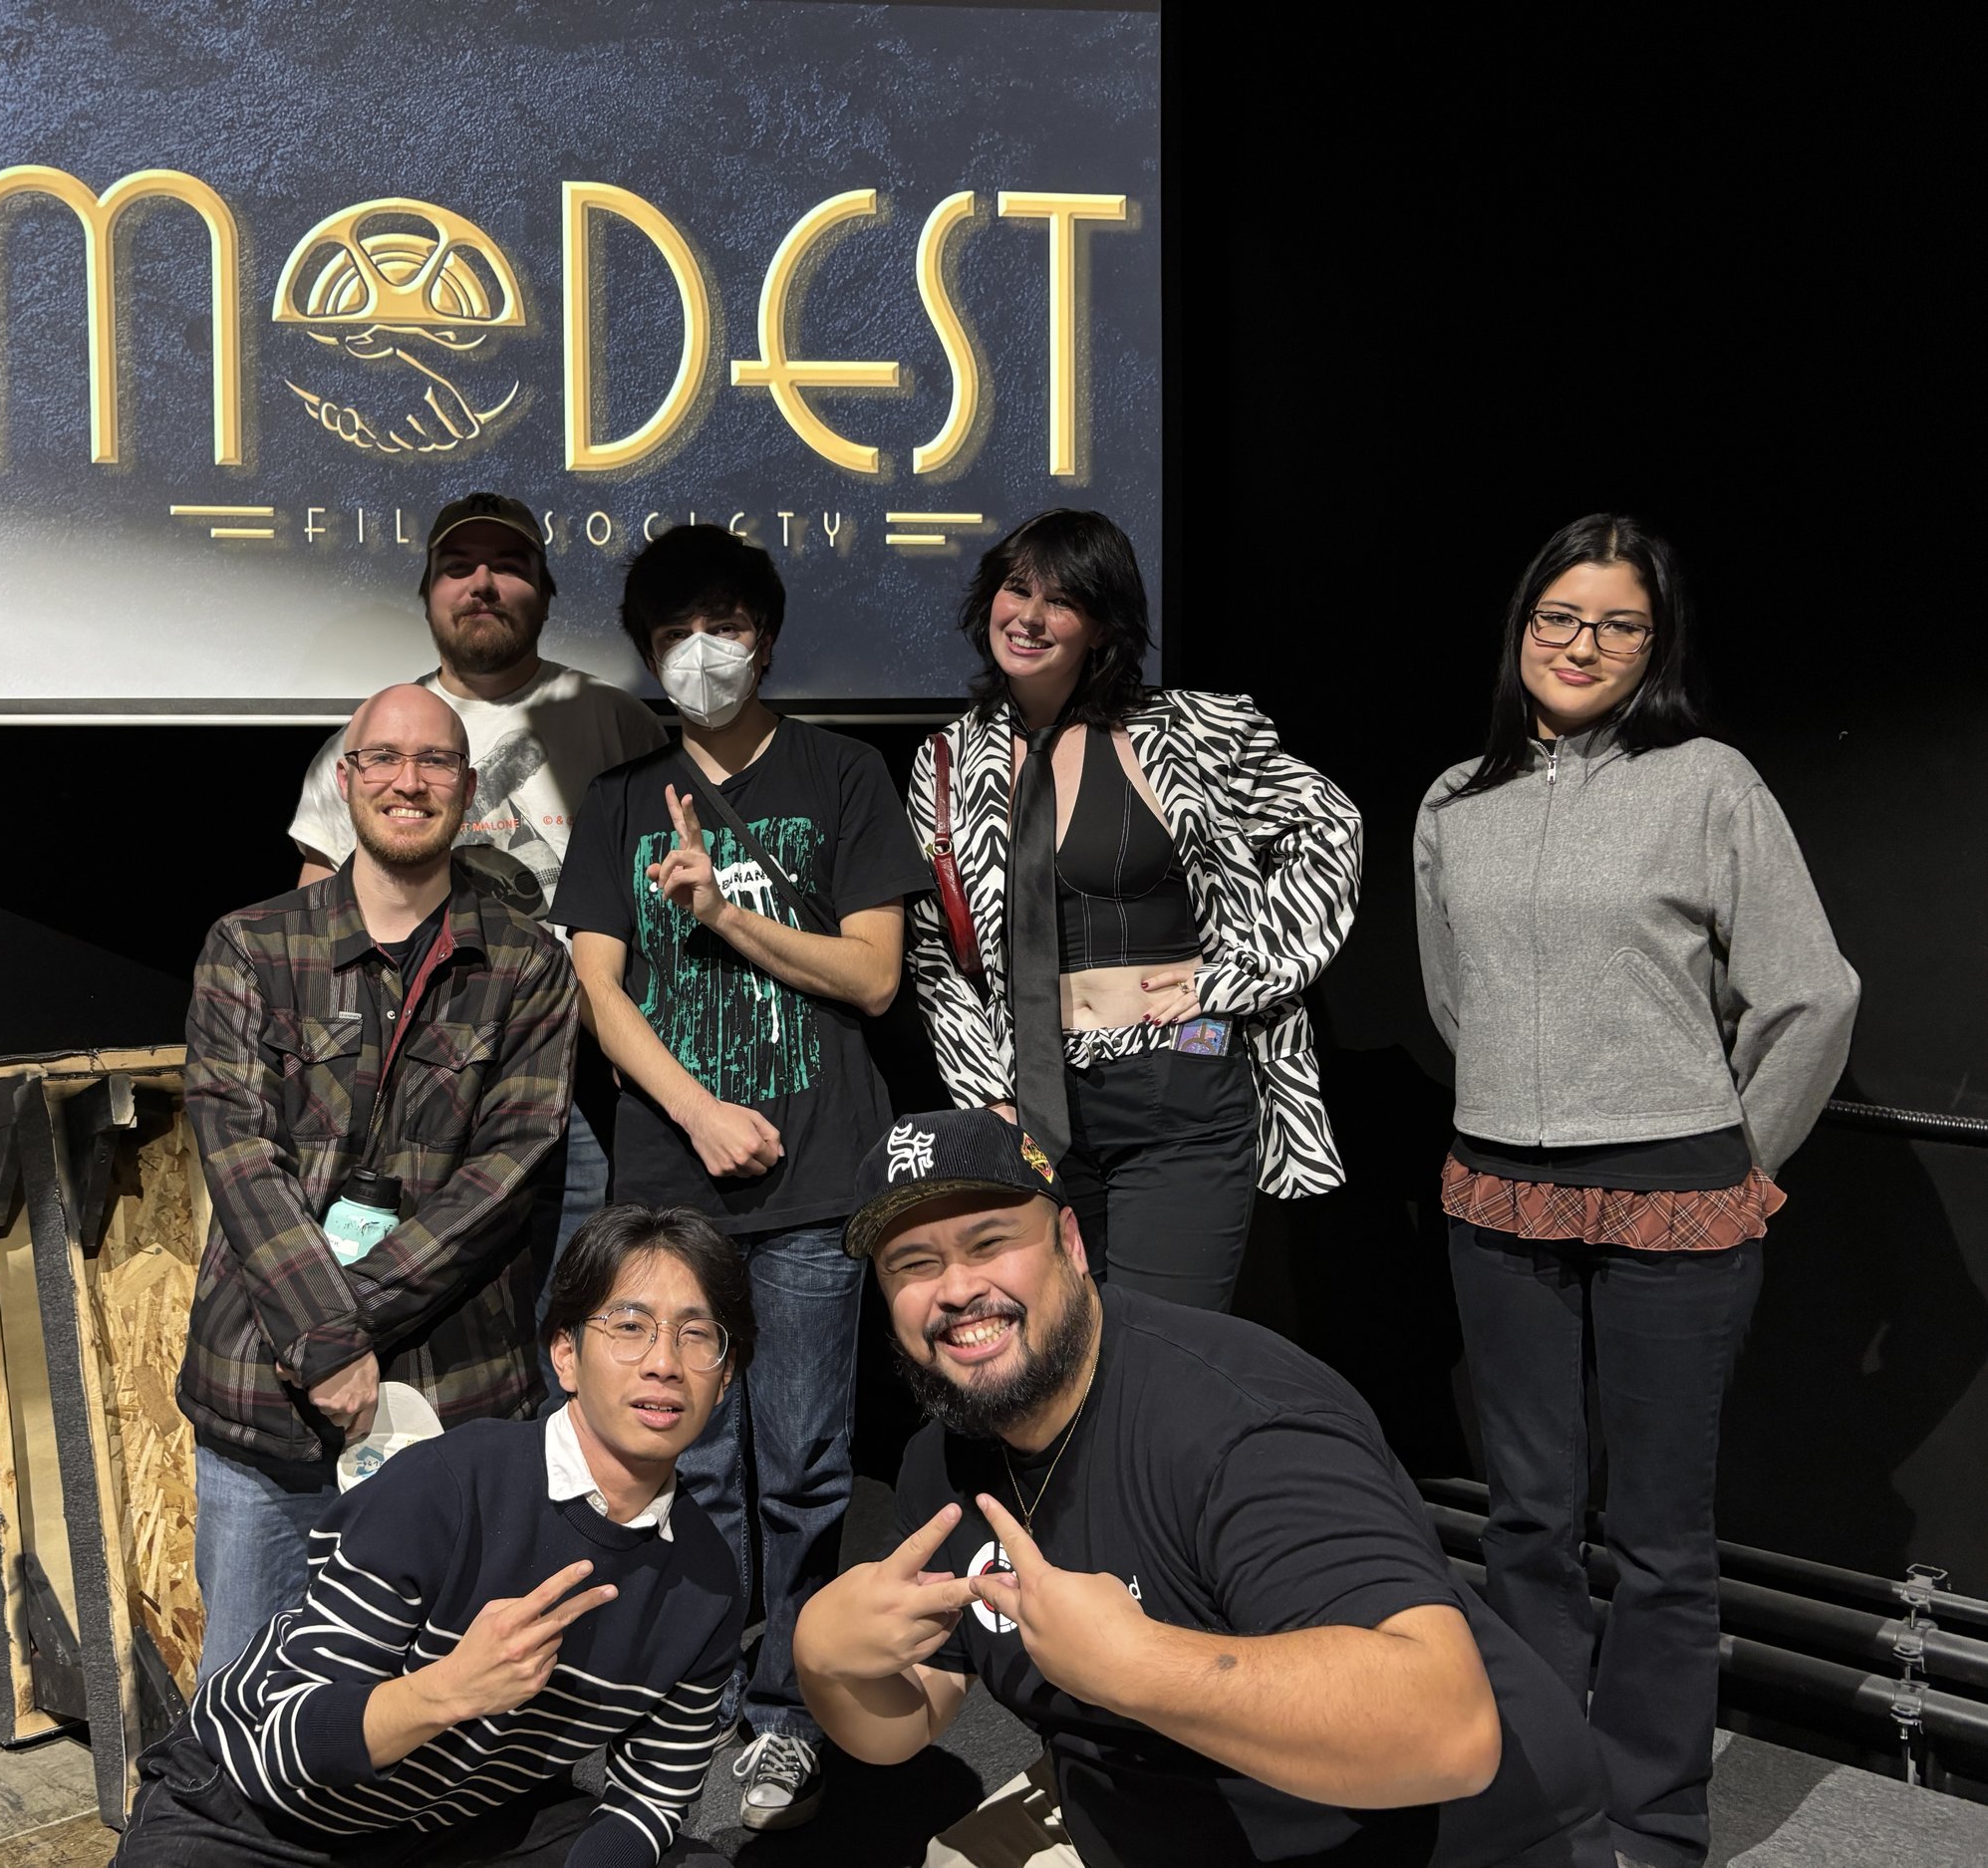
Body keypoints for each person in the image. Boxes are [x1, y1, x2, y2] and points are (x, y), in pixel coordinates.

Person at [795, 1107, 1611, 1868]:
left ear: (1070, 1243)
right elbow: (914, 1715)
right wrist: (828, 1663)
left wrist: (1137, 1662)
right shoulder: (946, 1458)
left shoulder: (1233, 1421)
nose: (955, 1288)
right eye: (914, 1264)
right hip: (1153, 1823)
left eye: (988, 1242)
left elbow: (1449, 1732)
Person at [1414, 513, 1858, 1868]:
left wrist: (1741, 1161)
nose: (1582, 645)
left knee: (1662, 1536)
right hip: (1499, 1191)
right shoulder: (1455, 800)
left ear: (1654, 646)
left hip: (1676, 1197)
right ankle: (1539, 1794)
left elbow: (1812, 993)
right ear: (1522, 627)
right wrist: (1509, 1090)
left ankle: (1652, 1820)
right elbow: (1455, 996)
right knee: (1528, 1519)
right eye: (1559, 617)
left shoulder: (1709, 783)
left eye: (1618, 624)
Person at [550, 524, 935, 1829]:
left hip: (819, 1185)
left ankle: (785, 1708)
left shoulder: (842, 774)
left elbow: (873, 976)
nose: (701, 651)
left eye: (722, 624)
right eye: (674, 633)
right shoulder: (620, 795)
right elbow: (599, 989)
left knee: (807, 1464)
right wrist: (700, 1111)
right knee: (688, 1459)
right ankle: (691, 1690)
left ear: (764, 636)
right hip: (674, 1184)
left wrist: (722, 911)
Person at [120, 1205, 751, 1867]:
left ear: (725, 1376)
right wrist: (450, 1689)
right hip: (259, 1815)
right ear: (566, 1355)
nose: (664, 1362)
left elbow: (650, 1796)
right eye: (629, 1326)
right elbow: (283, 1739)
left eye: (697, 1335)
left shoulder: (707, 1579)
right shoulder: (446, 1486)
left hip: (462, 1823)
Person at [181, 681, 578, 1683]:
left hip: (454, 1402)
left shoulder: (528, 965)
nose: (410, 781)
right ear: (346, 781)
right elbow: (238, 1154)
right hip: (265, 1404)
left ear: (469, 789)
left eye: (436, 760)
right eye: (385, 759)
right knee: (246, 1702)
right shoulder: (250, 945)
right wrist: (323, 1342)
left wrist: (337, 1328)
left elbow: (508, 1170)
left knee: (450, 1712)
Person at [904, 509, 1361, 1310]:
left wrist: (1240, 975)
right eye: (1017, 589)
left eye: (1062, 600)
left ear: (1103, 626)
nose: (1030, 616)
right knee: (1065, 1349)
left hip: (1177, 1083)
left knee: (1161, 1342)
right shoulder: (947, 762)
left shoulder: (1189, 732)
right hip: (1037, 1104)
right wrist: (987, 1094)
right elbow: (938, 956)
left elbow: (1330, 827)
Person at [288, 492, 665, 1301]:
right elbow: (314, 928)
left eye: (509, 566)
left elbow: (664, 906)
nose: (482, 584)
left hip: (579, 1080)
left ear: (548, 591)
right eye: (458, 567)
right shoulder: (369, 740)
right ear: (428, 593)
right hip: (410, 1077)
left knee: (573, 1306)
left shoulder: (617, 723)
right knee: (420, 1299)